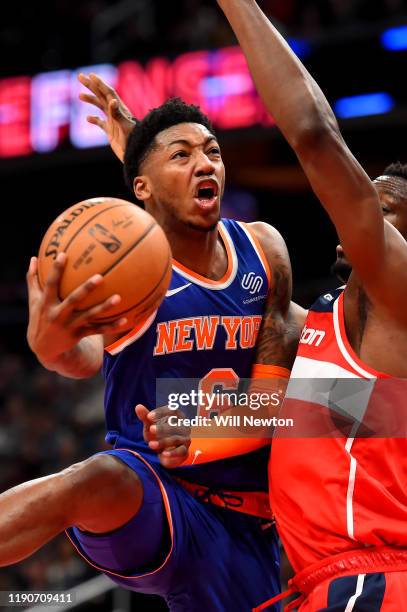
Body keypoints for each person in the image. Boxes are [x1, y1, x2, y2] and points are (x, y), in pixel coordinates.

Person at [0, 78, 301, 610]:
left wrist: (204, 420)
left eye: (212, 151)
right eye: (182, 155)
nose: (205, 163)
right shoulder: (130, 275)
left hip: (243, 518)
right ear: (141, 187)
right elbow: (83, 355)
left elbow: (288, 397)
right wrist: (52, 350)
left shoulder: (262, 249)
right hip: (152, 494)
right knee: (96, 478)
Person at [211, 0, 407, 610]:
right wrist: (145, 159)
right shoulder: (334, 333)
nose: (362, 215)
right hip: (319, 584)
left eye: (388, 210)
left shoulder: (399, 295)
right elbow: (290, 410)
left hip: (371, 579)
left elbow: (316, 136)